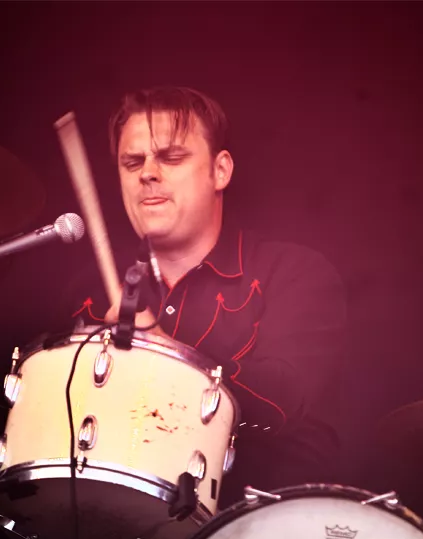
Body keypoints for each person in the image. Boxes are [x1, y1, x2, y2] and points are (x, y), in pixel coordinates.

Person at [60, 86, 348, 507]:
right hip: (96, 524)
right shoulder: (85, 294)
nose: (147, 174)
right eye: (132, 162)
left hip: (243, 530)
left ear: (221, 170)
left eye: (171, 157)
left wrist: (167, 358)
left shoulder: (293, 273)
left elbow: (282, 403)